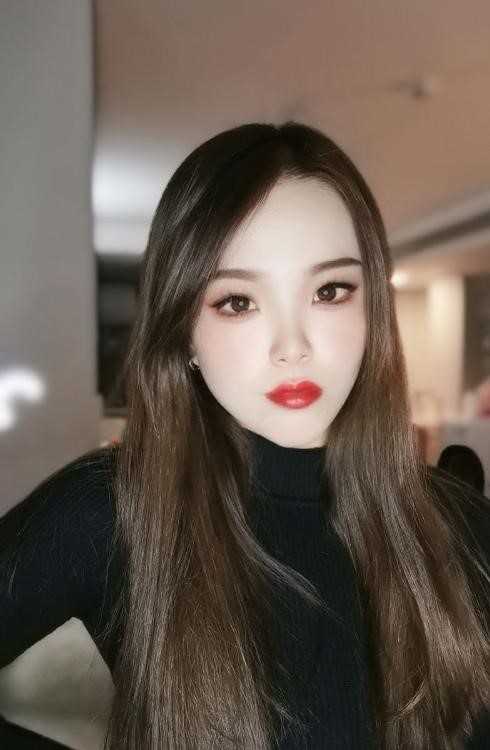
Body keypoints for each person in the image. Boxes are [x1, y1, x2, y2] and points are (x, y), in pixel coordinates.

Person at [1, 122, 489, 750]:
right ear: (183, 330)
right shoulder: (115, 513)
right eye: (238, 301)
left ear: (373, 310)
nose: (293, 347)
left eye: (330, 291)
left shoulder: (463, 528)